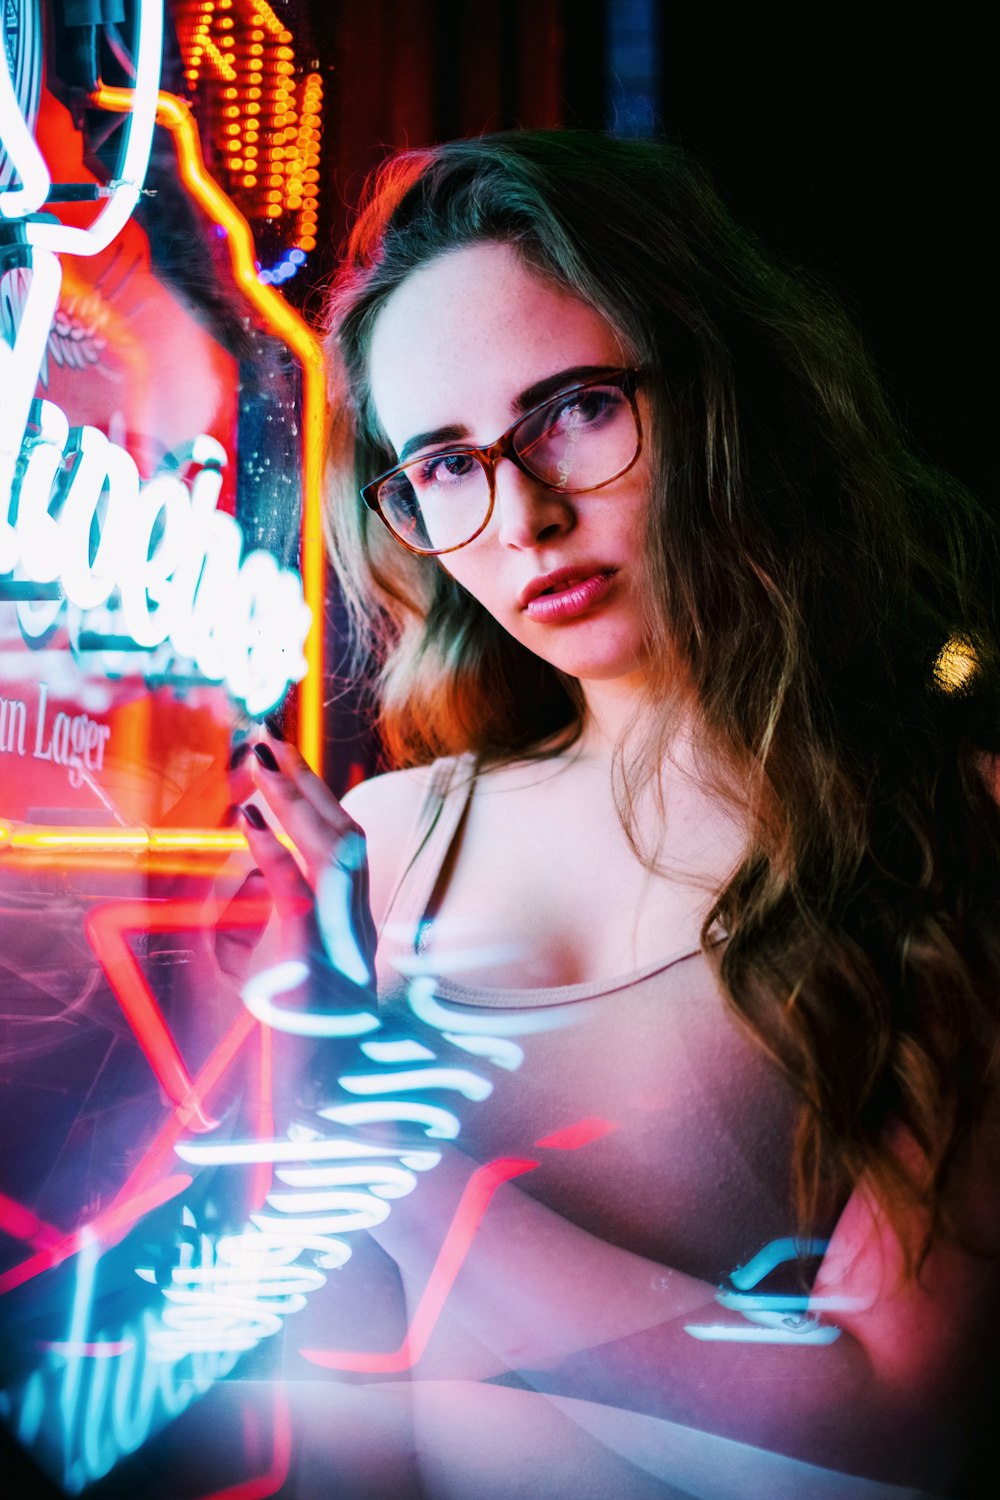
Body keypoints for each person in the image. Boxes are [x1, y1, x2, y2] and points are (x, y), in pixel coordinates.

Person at [234, 131, 1000, 1498]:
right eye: (446, 466)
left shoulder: (949, 822)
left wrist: (391, 1169)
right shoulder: (389, 844)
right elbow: (328, 1399)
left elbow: (896, 1421)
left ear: (722, 392)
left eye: (574, 408)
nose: (520, 516)